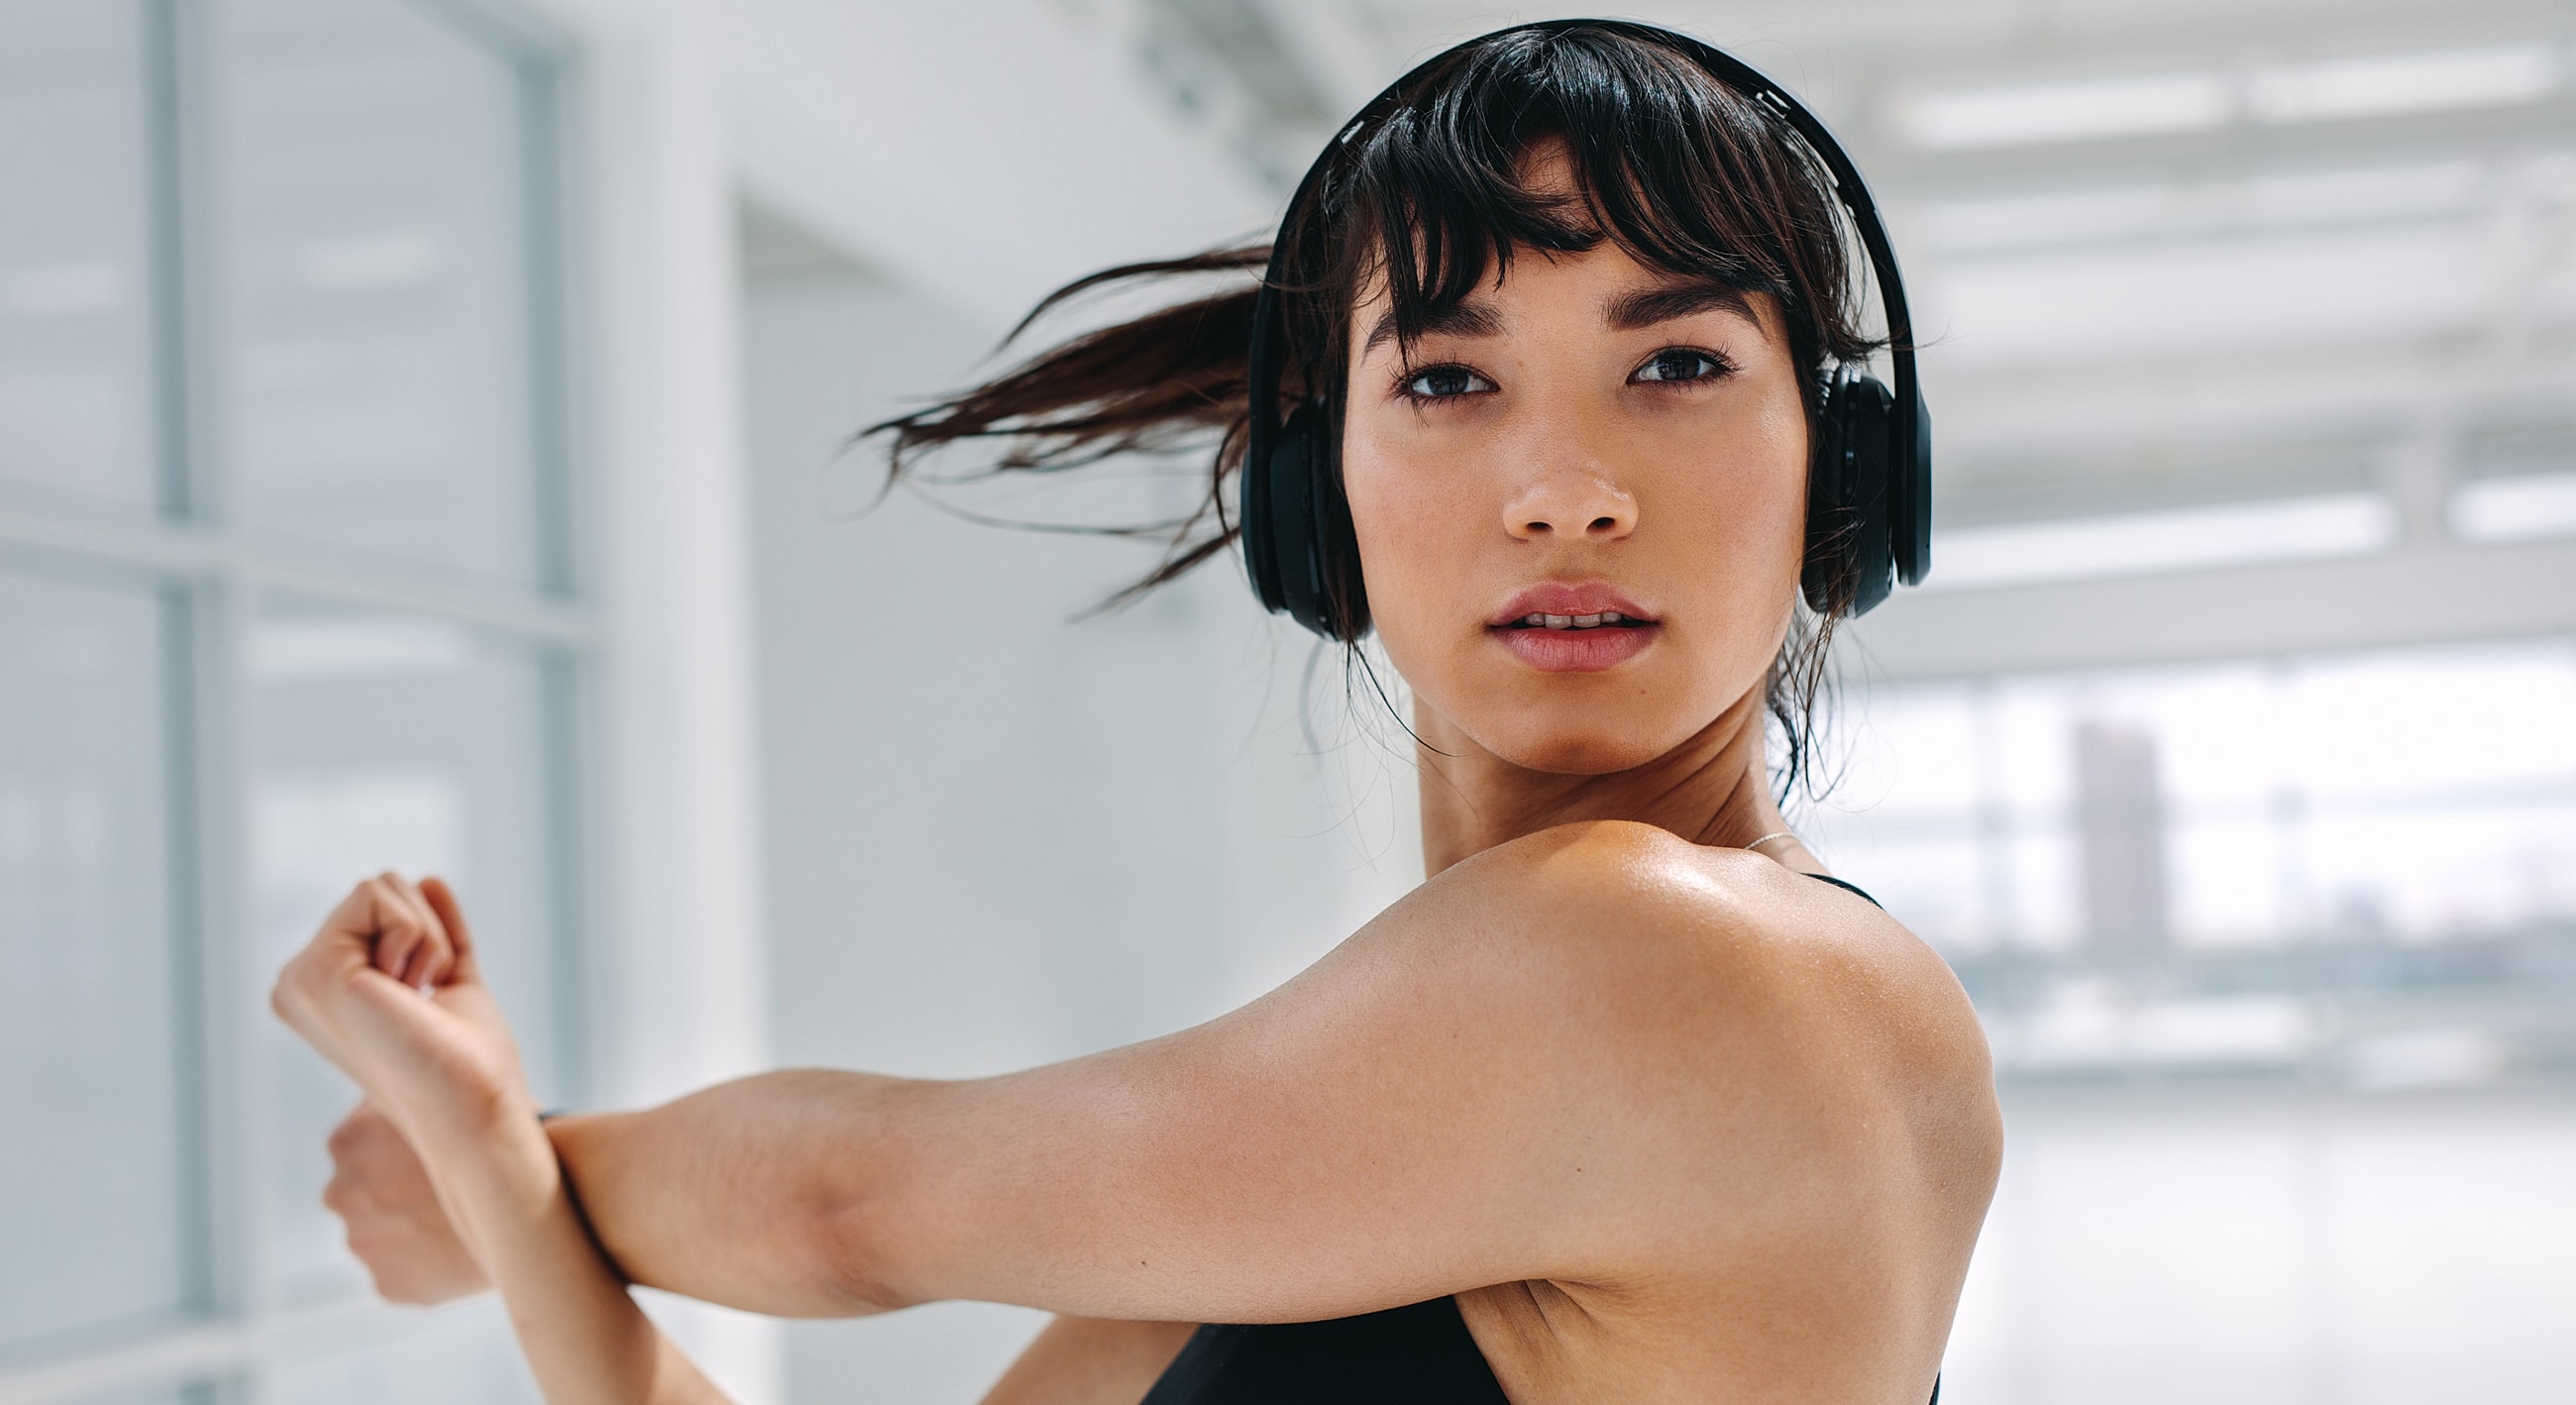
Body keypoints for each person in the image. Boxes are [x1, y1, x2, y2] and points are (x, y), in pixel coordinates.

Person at [271, 20, 2001, 1405]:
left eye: (1677, 364)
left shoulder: (1677, 969)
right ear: (1314, 497)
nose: (1563, 491)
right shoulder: (1375, 1111)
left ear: (1839, 475)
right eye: (1450, 379)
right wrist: (483, 1158)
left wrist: (503, 1175)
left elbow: (845, 1204)